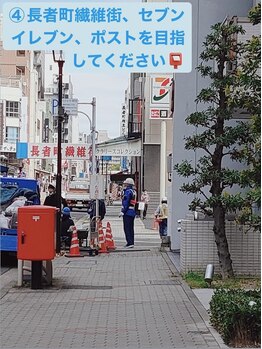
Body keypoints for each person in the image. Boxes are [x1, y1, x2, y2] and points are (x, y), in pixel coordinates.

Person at [119, 178, 137, 248]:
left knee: (127, 228)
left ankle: (129, 242)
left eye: (125, 183)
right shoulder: (134, 191)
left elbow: (125, 202)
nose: (124, 185)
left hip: (127, 212)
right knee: (131, 228)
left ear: (128, 184)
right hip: (132, 211)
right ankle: (131, 242)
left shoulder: (128, 191)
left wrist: (122, 211)